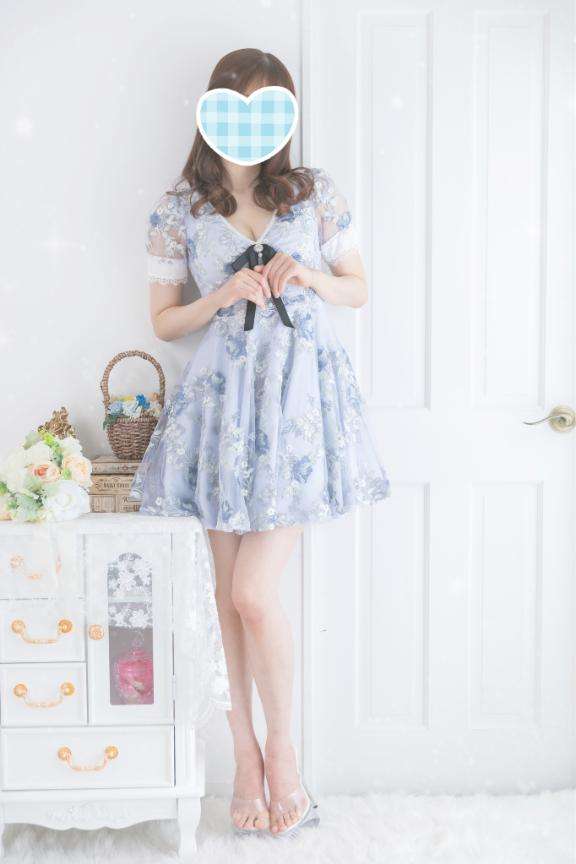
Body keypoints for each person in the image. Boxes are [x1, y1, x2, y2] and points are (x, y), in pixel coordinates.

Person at [130, 48, 390, 837]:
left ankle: (285, 754)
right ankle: (243, 756)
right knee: (225, 596)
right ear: (215, 111)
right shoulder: (180, 208)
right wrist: (221, 294)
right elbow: (163, 322)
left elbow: (359, 288)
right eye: (241, 105)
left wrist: (307, 278)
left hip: (296, 407)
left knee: (252, 592)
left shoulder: (312, 194)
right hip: (219, 411)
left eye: (269, 107)